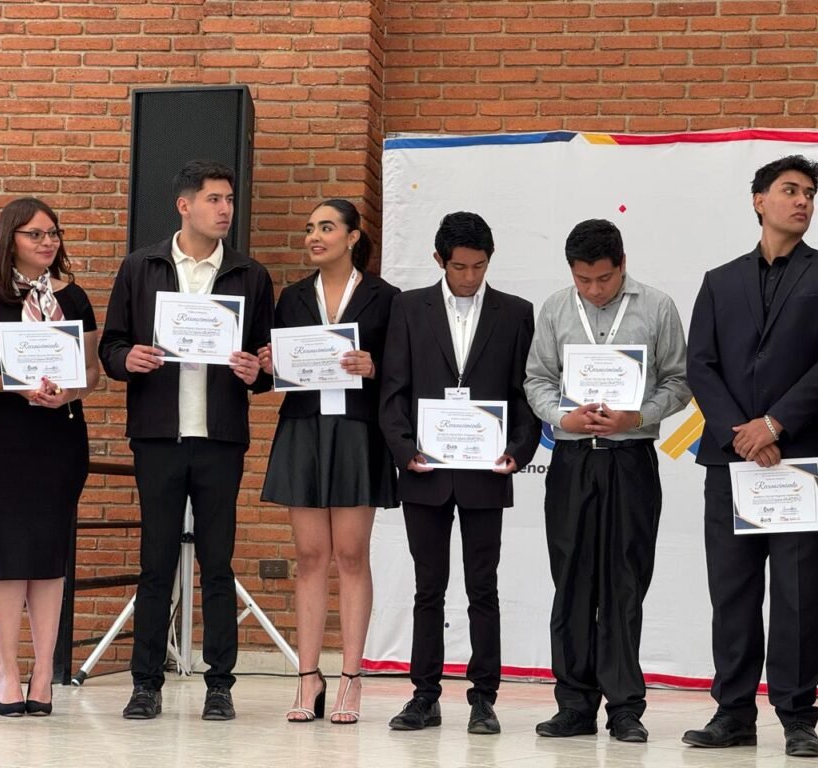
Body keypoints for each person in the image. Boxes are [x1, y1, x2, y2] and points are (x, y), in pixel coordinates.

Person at [683, 156, 818, 756]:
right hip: (732, 458)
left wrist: (775, 423)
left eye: (809, 193)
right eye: (790, 190)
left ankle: (797, 715)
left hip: (802, 458)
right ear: (759, 200)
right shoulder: (719, 280)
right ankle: (732, 712)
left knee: (800, 591)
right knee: (732, 591)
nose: (802, 201)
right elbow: (700, 364)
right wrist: (741, 431)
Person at [99, 159, 274, 722]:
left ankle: (219, 685)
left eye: (229, 199)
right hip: (158, 436)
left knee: (218, 564)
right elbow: (110, 347)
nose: (225, 209)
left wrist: (258, 371)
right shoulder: (141, 266)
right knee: (156, 562)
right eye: (214, 199)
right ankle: (145, 683)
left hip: (221, 437)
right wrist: (127, 358)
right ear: (185, 205)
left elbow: (266, 363)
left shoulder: (250, 275)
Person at [524, 219, 690, 742]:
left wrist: (637, 416)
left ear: (622, 264)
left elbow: (679, 381)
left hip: (630, 458)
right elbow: (537, 378)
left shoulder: (657, 307)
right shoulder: (555, 309)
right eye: (583, 280)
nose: (594, 290)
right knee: (572, 580)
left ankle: (624, 708)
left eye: (603, 278)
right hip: (572, 461)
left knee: (625, 581)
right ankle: (574, 704)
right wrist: (561, 417)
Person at [379, 211, 540, 735]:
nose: (470, 276)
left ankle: (483, 699)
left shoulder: (515, 312)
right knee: (428, 589)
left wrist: (518, 450)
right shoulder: (408, 308)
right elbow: (394, 391)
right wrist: (404, 450)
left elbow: (526, 393)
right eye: (460, 267)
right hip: (425, 471)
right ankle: (423, 696)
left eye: (479, 266)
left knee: (482, 589)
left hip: (486, 471)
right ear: (439, 260)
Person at [258, 199, 399, 724]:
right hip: (305, 428)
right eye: (310, 228)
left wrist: (375, 366)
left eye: (326, 227)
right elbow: (274, 369)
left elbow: (403, 372)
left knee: (352, 554)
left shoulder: (387, 298)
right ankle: (308, 676)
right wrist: (270, 362)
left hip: (359, 431)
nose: (314, 236)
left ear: (353, 236)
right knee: (310, 555)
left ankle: (352, 678)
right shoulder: (292, 297)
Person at [0, 198, 99, 717]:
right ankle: (8, 671)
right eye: (35, 234)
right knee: (7, 556)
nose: (47, 242)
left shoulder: (74, 297)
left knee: (48, 557)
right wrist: (16, 386)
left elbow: (91, 373)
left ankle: (43, 673)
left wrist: (69, 392)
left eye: (53, 233)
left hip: (59, 439)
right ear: (10, 239)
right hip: (0, 441)